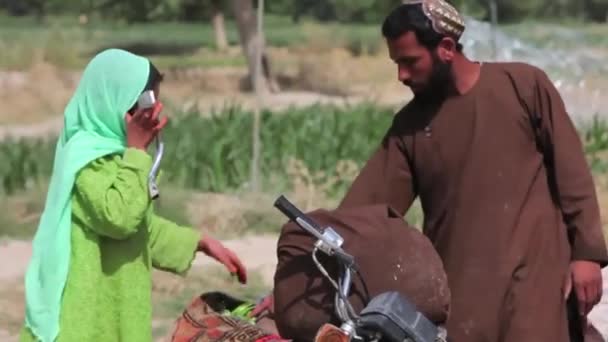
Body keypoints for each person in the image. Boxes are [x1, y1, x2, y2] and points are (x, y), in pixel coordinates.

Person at [334, 1, 608, 341]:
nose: (402, 75)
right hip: (463, 297)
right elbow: (365, 212)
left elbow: (573, 175)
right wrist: (306, 264)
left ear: (446, 49)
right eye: (396, 64)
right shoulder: (411, 127)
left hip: (536, 285)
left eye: (410, 62)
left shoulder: (523, 86)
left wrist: (587, 256)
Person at [19, 49, 247, 342]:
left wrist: (199, 242)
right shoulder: (86, 159)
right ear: (117, 103)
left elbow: (141, 229)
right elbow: (119, 218)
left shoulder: (120, 159)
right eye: (142, 109)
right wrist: (138, 151)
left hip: (115, 314)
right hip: (84, 323)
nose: (151, 116)